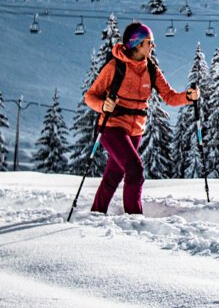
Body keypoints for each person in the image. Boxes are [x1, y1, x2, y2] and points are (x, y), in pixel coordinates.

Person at [84, 22, 199, 214]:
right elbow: (90, 96)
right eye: (149, 42)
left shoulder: (151, 69)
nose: (153, 46)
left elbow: (169, 97)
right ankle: (134, 218)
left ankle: (96, 213)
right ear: (136, 44)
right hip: (112, 127)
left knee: (114, 175)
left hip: (135, 130)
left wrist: (188, 96)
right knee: (135, 171)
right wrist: (103, 106)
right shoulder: (115, 67)